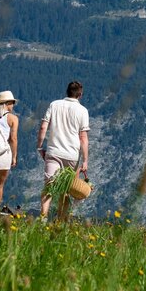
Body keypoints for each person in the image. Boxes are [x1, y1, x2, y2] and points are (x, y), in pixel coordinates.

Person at [37, 81, 89, 220]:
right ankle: (61, 221)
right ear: (80, 95)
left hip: (54, 152)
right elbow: (83, 138)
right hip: (72, 155)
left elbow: (43, 127)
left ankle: (43, 218)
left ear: (67, 92)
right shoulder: (83, 111)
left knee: (49, 188)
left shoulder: (55, 105)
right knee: (66, 190)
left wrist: (40, 147)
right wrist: (85, 160)